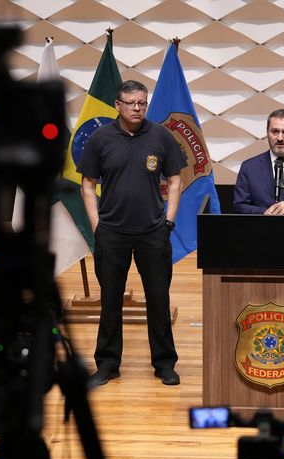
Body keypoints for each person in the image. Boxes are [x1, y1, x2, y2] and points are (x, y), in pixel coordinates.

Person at [79, 80, 185, 386]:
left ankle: (164, 363)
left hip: (153, 231)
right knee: (110, 301)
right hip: (111, 232)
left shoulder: (161, 136)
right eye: (131, 103)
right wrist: (97, 225)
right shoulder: (100, 138)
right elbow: (87, 185)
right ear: (118, 105)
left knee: (158, 300)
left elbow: (175, 180)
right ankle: (108, 363)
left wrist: (169, 221)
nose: (137, 108)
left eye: (142, 103)